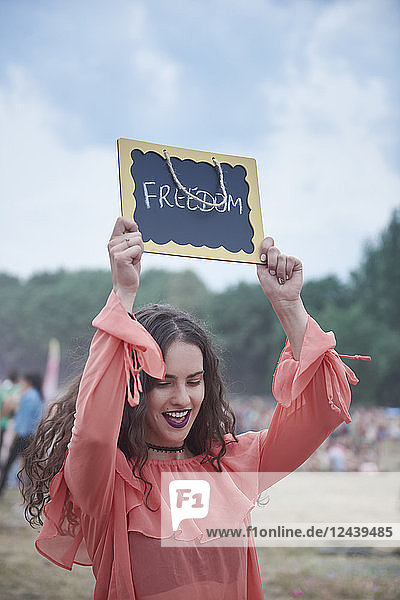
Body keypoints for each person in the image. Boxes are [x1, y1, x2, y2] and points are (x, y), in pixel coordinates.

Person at [21, 217, 364, 599]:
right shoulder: (108, 481)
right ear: (135, 384)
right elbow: (94, 431)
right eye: (164, 382)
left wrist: (289, 307)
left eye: (194, 381)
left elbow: (322, 407)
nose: (182, 399)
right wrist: (122, 294)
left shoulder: (230, 465)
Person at [0, 372, 43, 496]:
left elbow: (23, 421)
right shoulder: (37, 396)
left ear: (28, 382)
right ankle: (31, 494)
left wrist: (15, 435)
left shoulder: (28, 397)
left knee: (8, 463)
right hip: (31, 437)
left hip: (23, 436)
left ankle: (2, 488)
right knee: (28, 467)